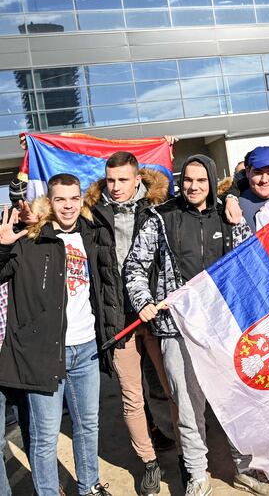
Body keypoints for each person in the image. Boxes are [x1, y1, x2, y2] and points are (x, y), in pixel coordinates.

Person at [123, 156, 262, 496]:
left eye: (201, 180)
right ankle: (198, 474)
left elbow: (248, 261)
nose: (194, 186)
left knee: (234, 402)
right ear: (180, 181)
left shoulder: (226, 216)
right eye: (188, 180)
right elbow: (134, 266)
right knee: (187, 405)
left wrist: (239, 220)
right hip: (177, 329)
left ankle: (244, 468)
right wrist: (143, 302)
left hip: (224, 329)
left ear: (212, 182)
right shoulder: (161, 217)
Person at [0, 173, 119, 496]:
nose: (68, 206)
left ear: (81, 199)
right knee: (45, 435)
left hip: (87, 348)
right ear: (49, 203)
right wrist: (1, 244)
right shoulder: (31, 238)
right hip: (45, 352)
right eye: (60, 199)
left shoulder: (91, 234)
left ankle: (89, 485)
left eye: (73, 198)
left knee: (87, 425)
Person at [83, 152, 178, 496]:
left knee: (170, 388)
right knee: (131, 395)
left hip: (156, 311)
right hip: (117, 317)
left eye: (123, 179)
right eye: (111, 180)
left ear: (137, 178)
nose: (116, 186)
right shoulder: (90, 214)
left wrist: (227, 196)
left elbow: (203, 200)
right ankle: (149, 463)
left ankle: (183, 453)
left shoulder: (159, 208)